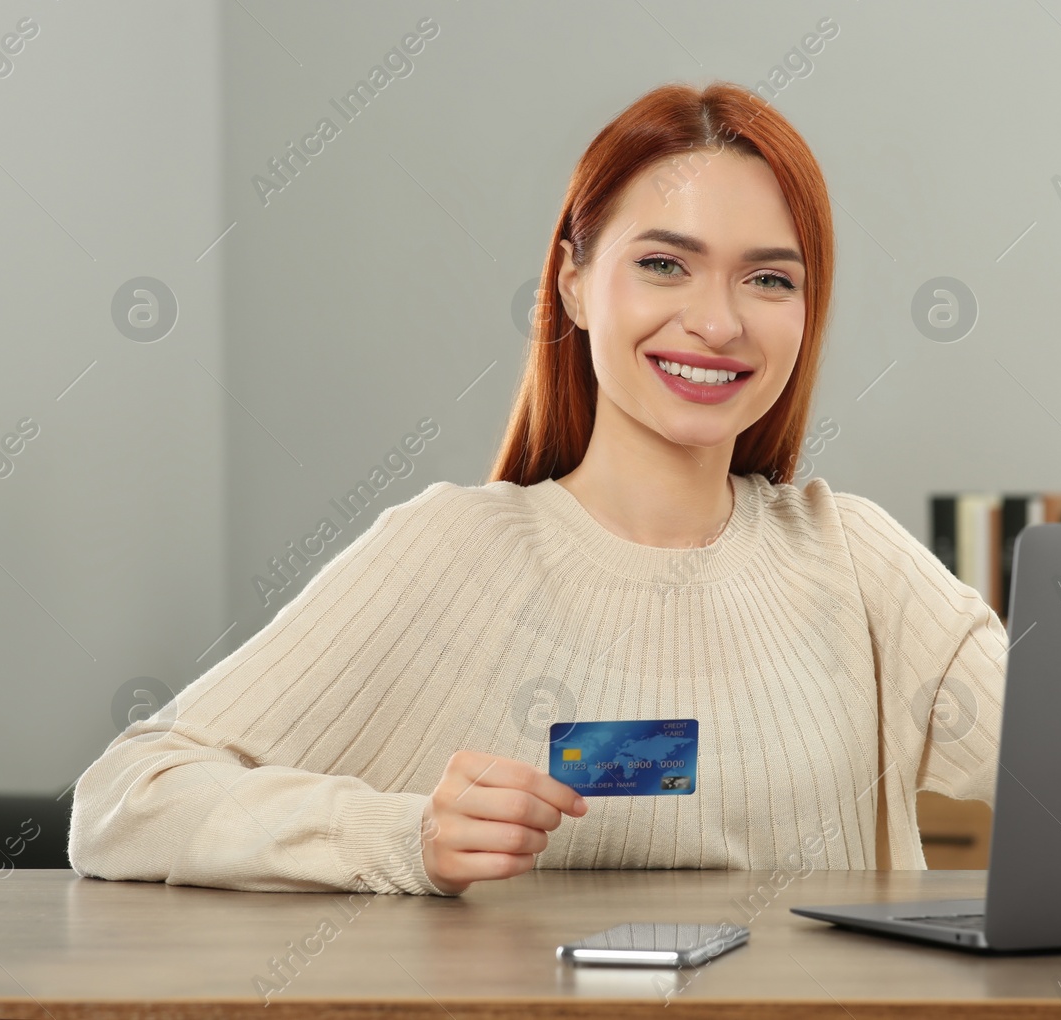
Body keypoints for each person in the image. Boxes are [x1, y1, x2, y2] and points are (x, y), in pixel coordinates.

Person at [68, 81, 1007, 896]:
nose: (716, 322)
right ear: (571, 281)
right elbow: (124, 799)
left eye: (768, 278)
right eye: (663, 265)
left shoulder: (856, 556)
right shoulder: (448, 553)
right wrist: (403, 838)